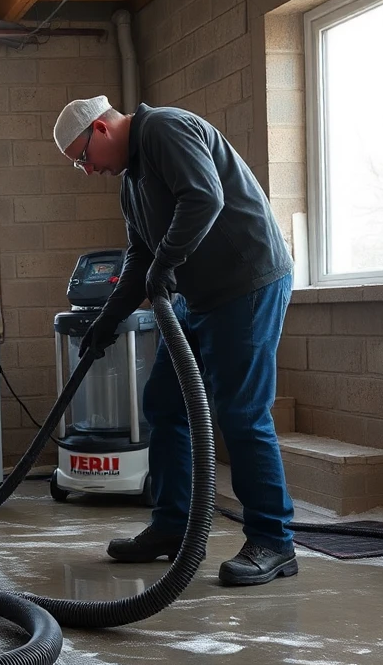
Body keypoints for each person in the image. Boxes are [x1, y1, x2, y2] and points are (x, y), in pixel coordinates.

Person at [52, 95, 298, 586]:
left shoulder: (166, 129)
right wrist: (109, 318)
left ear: (101, 129)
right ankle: (172, 527)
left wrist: (165, 265)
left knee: (241, 413)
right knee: (164, 403)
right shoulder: (131, 183)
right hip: (195, 296)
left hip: (245, 284)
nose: (86, 169)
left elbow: (205, 197)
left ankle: (274, 541)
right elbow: (140, 254)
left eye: (83, 157)